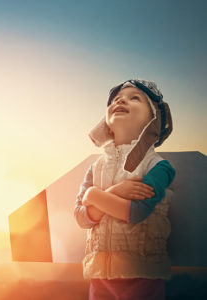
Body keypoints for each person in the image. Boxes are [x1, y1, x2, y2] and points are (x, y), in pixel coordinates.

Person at [74, 79, 176, 300]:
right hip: (99, 277)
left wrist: (95, 198)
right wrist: (111, 192)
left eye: (135, 97)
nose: (121, 99)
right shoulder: (95, 168)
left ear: (154, 119)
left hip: (143, 276)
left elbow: (136, 213)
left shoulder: (158, 167)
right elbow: (81, 218)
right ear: (106, 122)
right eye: (118, 98)